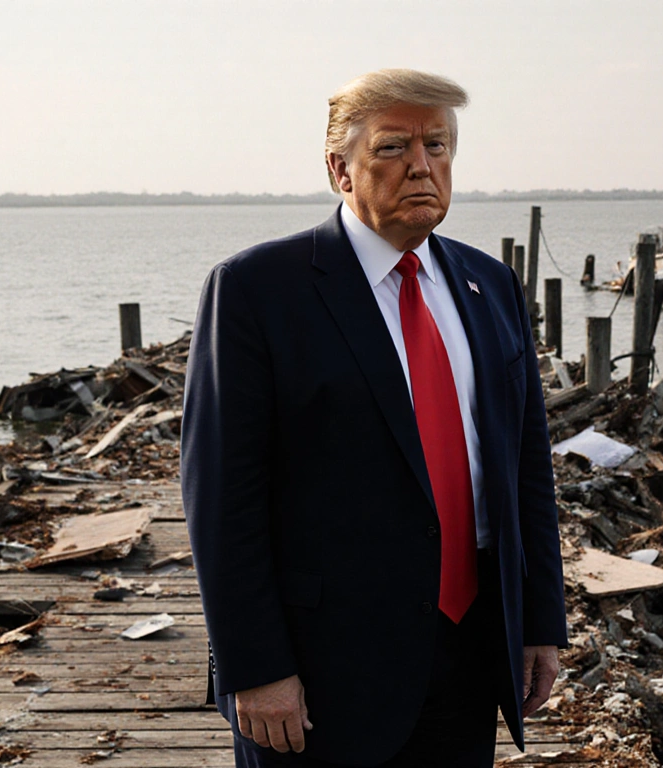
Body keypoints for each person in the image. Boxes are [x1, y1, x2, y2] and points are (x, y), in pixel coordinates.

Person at [180, 68, 568, 767]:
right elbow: (221, 500)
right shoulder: (258, 290)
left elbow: (525, 470)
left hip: (469, 650)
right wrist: (254, 664)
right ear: (340, 170)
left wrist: (540, 623)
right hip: (322, 669)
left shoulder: (491, 285)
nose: (423, 166)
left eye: (439, 146)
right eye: (394, 147)